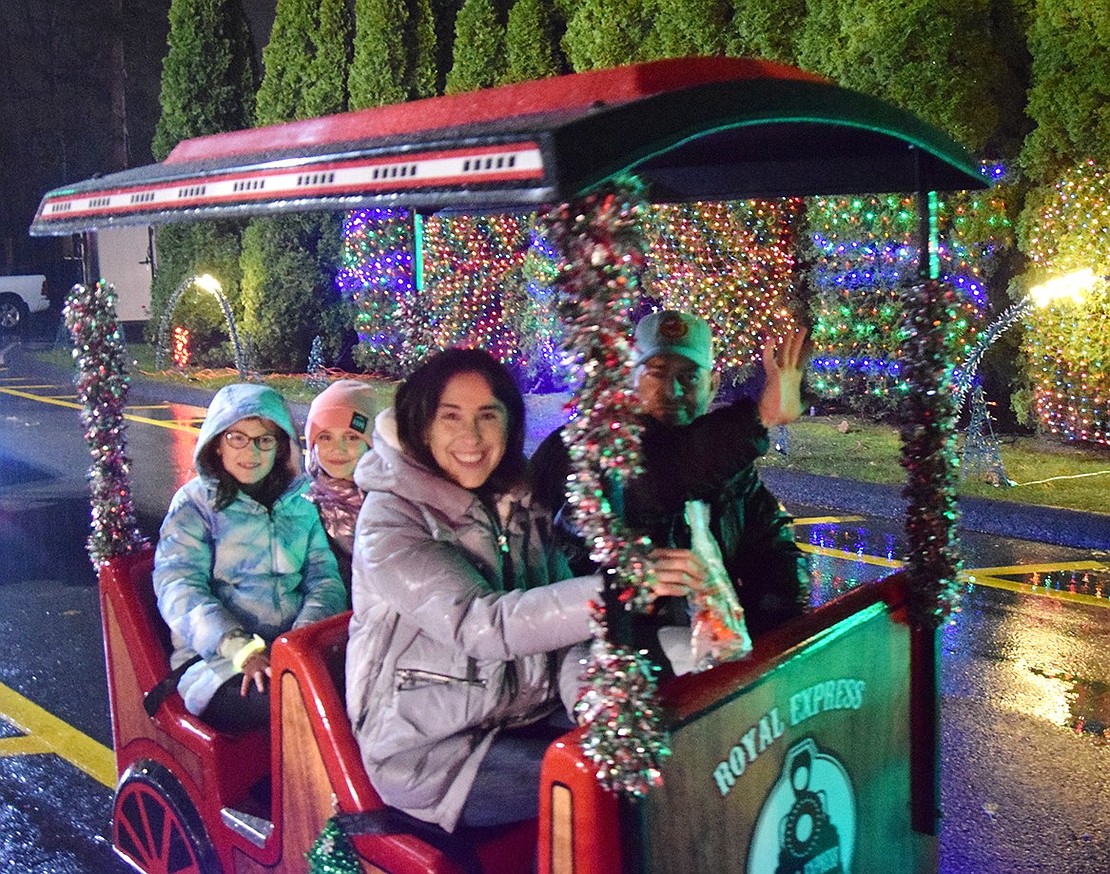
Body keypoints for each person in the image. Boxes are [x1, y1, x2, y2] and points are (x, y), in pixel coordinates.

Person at [346, 348, 704, 834]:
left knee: (662, 746)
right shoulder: (390, 522)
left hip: (524, 714)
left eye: (487, 416)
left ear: (509, 426)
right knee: (614, 787)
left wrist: (591, 705)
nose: (471, 437)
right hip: (433, 752)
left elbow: (567, 631)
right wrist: (619, 585)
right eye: (450, 417)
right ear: (420, 425)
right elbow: (483, 625)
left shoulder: (519, 502)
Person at [530, 310, 810, 675]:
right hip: (605, 667)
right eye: (657, 374)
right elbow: (656, 479)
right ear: (630, 380)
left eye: (688, 377)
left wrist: (764, 634)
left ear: (712, 384)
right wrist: (758, 418)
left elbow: (774, 550)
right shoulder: (587, 447)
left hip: (702, 667)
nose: (672, 391)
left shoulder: (726, 464)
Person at [153, 383, 347, 732]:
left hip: (294, 650)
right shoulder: (195, 504)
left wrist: (299, 643)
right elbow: (179, 588)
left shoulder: (300, 501)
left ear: (280, 446)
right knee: (298, 702)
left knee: (371, 685)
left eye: (264, 440)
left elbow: (323, 575)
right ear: (217, 442)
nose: (251, 452)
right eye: (237, 438)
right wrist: (242, 650)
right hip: (216, 662)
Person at [304, 379, 381, 587]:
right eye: (326, 437)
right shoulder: (305, 504)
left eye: (351, 438)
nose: (338, 449)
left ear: (370, 444)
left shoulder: (391, 497)